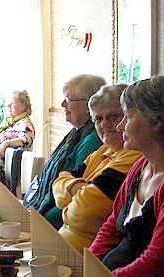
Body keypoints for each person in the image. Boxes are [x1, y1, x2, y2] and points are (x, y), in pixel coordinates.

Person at [89, 75, 164, 277]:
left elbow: (157, 263)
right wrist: (88, 265)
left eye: (127, 117)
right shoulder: (142, 164)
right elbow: (111, 225)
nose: (119, 127)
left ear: (158, 122)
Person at [52, 84, 142, 251]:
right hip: (64, 244)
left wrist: (68, 200)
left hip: (89, 254)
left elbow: (86, 212)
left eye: (113, 116)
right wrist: (80, 189)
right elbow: (58, 181)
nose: (105, 124)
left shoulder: (133, 154)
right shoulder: (103, 150)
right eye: (98, 119)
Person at [23, 74, 106, 229]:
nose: (62, 104)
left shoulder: (92, 140)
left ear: (90, 104)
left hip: (58, 226)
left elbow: (72, 197)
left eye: (68, 99)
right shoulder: (77, 133)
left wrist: (38, 223)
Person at [0, 90, 35, 183]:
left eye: (12, 103)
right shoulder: (10, 123)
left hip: (1, 172)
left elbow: (26, 139)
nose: (8, 106)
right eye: (8, 103)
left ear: (24, 106)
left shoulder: (25, 123)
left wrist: (6, 143)